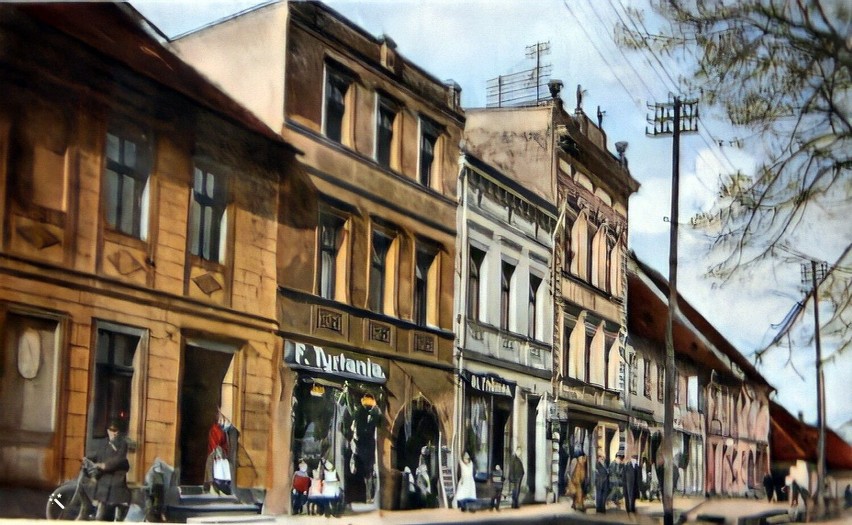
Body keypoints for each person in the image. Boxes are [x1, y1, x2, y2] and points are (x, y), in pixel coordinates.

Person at [87, 419, 131, 521]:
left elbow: (119, 459)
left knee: (117, 505)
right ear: (108, 431)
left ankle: (117, 518)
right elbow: (98, 455)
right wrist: (88, 459)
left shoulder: (122, 444)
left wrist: (104, 465)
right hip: (104, 478)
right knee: (100, 500)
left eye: (116, 431)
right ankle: (98, 517)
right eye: (112, 430)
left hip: (117, 477)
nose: (114, 433)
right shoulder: (104, 444)